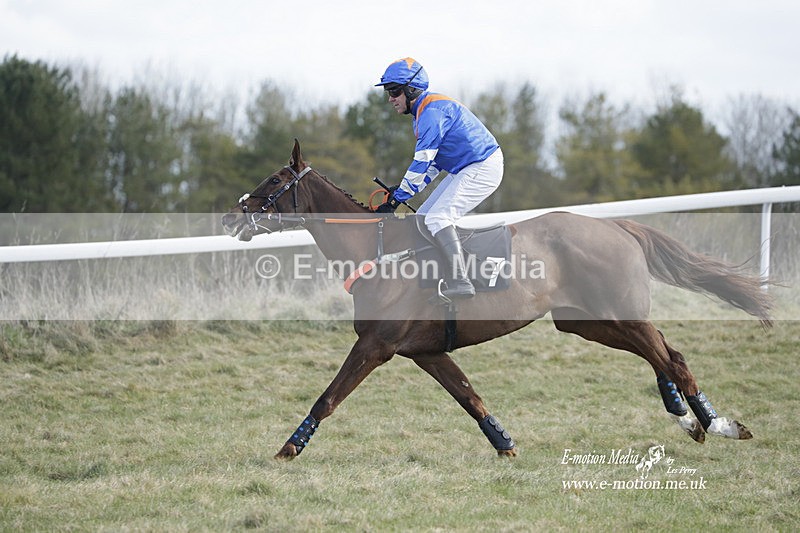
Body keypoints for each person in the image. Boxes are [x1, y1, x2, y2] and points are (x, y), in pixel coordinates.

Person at [375, 57, 504, 299]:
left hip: (482, 165)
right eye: (388, 92)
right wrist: (402, 192)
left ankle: (461, 281)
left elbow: (422, 161)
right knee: (423, 218)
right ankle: (439, 275)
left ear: (411, 89)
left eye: (394, 91)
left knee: (437, 218)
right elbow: (433, 165)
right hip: (466, 167)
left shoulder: (431, 113)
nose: (390, 98)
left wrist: (397, 198)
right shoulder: (423, 112)